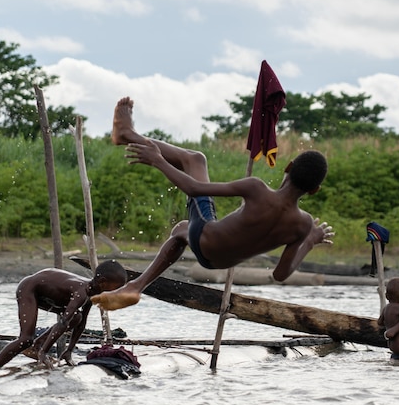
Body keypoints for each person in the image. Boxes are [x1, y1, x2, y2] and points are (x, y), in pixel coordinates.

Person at [92, 97, 334, 311]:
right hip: (220, 262)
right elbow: (281, 275)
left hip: (205, 239)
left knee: (195, 159)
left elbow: (194, 189)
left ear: (288, 167)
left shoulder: (257, 188)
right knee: (181, 230)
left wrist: (158, 161)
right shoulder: (303, 225)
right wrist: (311, 241)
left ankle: (127, 135)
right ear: (314, 190)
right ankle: (135, 286)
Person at [0, 261, 127, 372]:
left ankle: (37, 346)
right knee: (25, 339)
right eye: (116, 288)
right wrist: (44, 352)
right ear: (102, 283)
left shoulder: (92, 293)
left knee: (77, 318)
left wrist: (69, 351)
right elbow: (63, 322)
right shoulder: (81, 292)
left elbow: (81, 324)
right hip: (29, 289)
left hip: (48, 295)